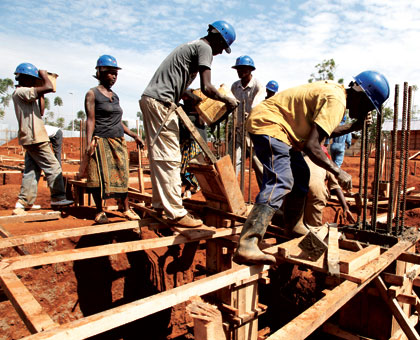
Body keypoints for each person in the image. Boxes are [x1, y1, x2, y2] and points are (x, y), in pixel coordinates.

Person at [232, 70, 390, 265]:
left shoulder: (337, 95)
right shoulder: (337, 101)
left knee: (301, 173)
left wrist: (352, 127)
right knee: (281, 179)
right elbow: (312, 146)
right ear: (362, 96)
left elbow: (320, 133)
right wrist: (338, 171)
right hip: (269, 125)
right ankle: (248, 243)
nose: (367, 112)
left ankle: (294, 225)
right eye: (369, 106)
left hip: (283, 131)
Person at [139, 20, 238, 228]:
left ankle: (159, 204)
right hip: (161, 102)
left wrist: (193, 97)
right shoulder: (205, 48)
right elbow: (208, 86)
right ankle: (175, 211)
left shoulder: (191, 47)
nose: (220, 53)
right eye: (222, 47)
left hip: (153, 99)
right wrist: (227, 100)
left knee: (160, 156)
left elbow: (184, 89)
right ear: (217, 37)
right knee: (170, 157)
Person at [85, 55, 144, 224]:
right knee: (98, 177)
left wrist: (134, 135)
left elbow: (118, 121)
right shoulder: (92, 94)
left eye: (115, 74)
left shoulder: (115, 96)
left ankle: (125, 208)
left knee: (122, 175)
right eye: (110, 73)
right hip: (101, 140)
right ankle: (99, 211)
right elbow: (90, 119)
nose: (114, 76)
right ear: (100, 72)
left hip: (118, 141)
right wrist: (89, 142)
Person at [12, 63, 73, 215]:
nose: (34, 82)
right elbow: (48, 86)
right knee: (54, 168)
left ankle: (23, 202)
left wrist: (41, 94)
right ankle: (58, 198)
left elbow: (41, 111)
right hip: (36, 138)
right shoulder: (22, 92)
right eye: (33, 79)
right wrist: (44, 75)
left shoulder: (26, 95)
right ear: (25, 78)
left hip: (32, 137)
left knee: (32, 171)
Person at [301, 145, 356, 228]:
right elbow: (336, 187)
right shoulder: (326, 164)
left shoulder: (301, 159)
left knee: (296, 222)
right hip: (316, 191)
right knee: (313, 227)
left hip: (297, 189)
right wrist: (345, 208)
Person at [230, 55, 265, 181]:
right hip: (238, 130)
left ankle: (265, 196)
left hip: (252, 132)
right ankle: (231, 194)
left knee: (258, 164)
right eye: (238, 69)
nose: (240, 72)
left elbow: (257, 106)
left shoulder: (258, 86)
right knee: (233, 162)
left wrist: (249, 115)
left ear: (250, 70)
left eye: (243, 69)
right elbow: (231, 105)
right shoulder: (235, 86)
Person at [179, 91, 206, 199]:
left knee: (191, 168)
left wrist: (196, 105)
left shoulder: (199, 112)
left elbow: (201, 122)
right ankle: (188, 187)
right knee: (183, 168)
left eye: (187, 99)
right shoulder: (181, 110)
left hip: (195, 144)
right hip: (184, 144)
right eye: (183, 100)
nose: (185, 102)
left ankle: (190, 188)